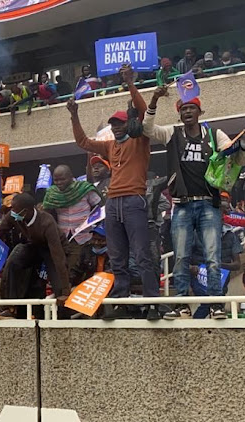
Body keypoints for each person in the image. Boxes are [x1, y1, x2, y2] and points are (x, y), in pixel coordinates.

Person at [143, 86, 245, 320]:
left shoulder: (215, 135)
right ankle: (181, 304)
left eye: (192, 108)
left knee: (212, 257)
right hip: (181, 204)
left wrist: (244, 144)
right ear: (179, 114)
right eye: (183, 109)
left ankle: (215, 305)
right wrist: (153, 99)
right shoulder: (172, 134)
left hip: (208, 204)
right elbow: (147, 128)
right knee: (181, 257)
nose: (187, 112)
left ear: (200, 112)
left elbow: (238, 159)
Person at [67, 65, 161, 320]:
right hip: (113, 204)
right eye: (113, 124)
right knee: (117, 256)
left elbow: (145, 112)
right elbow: (83, 143)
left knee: (142, 255)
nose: (116, 127)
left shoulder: (140, 138)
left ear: (128, 123)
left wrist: (130, 83)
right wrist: (74, 116)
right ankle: (120, 300)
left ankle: (153, 302)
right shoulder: (109, 146)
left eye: (119, 123)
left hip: (134, 200)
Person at [0, 193, 70, 319]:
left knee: (57, 277)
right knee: (14, 261)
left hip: (52, 249)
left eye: (16, 209)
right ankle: (11, 308)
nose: (12, 212)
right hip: (33, 245)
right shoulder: (13, 216)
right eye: (12, 208)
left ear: (28, 210)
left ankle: (64, 314)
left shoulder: (47, 222)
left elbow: (58, 256)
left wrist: (65, 289)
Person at [41, 164, 102, 286]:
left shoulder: (85, 189)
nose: (58, 183)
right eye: (56, 180)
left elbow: (99, 207)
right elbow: (47, 214)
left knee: (75, 271)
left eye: (62, 179)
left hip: (83, 237)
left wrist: (94, 225)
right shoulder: (52, 194)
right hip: (62, 238)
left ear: (71, 177)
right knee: (62, 269)